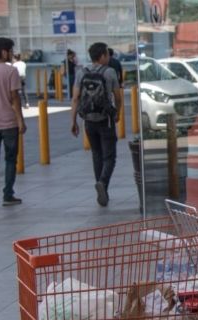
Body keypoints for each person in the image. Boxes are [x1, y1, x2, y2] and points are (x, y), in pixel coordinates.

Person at [69, 42, 121, 206]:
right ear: (103, 56)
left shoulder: (81, 73)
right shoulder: (110, 72)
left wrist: (73, 121)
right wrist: (117, 113)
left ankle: (102, 188)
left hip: (88, 120)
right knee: (110, 157)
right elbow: (118, 96)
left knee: (96, 154)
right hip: (105, 120)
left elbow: (75, 98)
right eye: (107, 54)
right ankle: (103, 183)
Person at [0, 38, 26, 205]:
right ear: (4, 52)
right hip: (8, 123)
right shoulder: (11, 72)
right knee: (10, 159)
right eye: (10, 50)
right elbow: (15, 98)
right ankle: (8, 194)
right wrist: (21, 121)